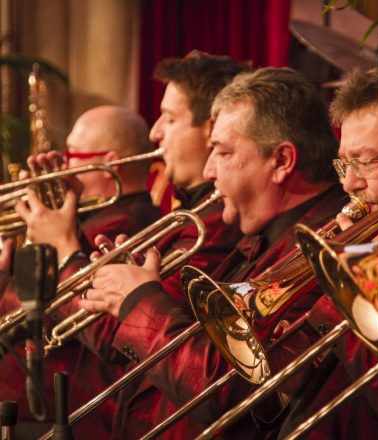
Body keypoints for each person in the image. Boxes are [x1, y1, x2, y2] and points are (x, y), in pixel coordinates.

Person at [79, 66, 348, 439]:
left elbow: (228, 390)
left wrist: (140, 300)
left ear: (282, 161)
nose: (208, 171)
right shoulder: (258, 236)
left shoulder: (327, 248)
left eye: (222, 152)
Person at [15, 52, 248, 438]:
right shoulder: (188, 216)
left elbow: (114, 334)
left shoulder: (216, 226)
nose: (155, 132)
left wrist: (65, 250)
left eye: (170, 119)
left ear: (211, 129)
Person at [278, 62, 378, 439]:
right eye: (345, 163)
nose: (350, 182)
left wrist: (347, 290)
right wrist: (297, 369)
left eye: (367, 160)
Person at [0, 105, 162, 439]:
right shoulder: (89, 219)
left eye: (73, 154)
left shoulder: (132, 224)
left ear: (110, 163)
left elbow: (50, 308)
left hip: (63, 409)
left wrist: (6, 280)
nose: (61, 165)